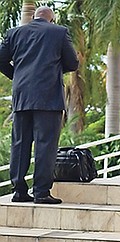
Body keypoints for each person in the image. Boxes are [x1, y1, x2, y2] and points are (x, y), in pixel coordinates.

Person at [0, 6, 79, 204]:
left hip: (22, 96)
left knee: (20, 143)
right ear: (51, 20)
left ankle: (19, 191)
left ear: (34, 17)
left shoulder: (14, 33)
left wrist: (16, 76)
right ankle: (41, 192)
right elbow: (72, 63)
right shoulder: (59, 32)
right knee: (46, 145)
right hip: (49, 98)